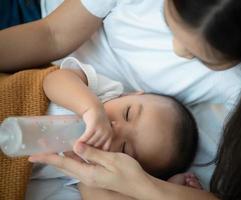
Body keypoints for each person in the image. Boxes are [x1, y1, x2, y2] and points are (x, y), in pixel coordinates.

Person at [2, 0, 241, 200]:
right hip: (32, 28)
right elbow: (52, 34)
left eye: (198, 53)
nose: (177, 49)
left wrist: (142, 187)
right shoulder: (99, 91)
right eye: (171, 21)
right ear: (130, 95)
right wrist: (90, 106)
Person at [25, 56, 200, 199]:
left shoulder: (85, 170)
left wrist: (166, 190)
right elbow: (54, 80)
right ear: (130, 95)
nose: (115, 128)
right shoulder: (103, 92)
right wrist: (90, 107)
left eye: (124, 148)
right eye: (128, 113)